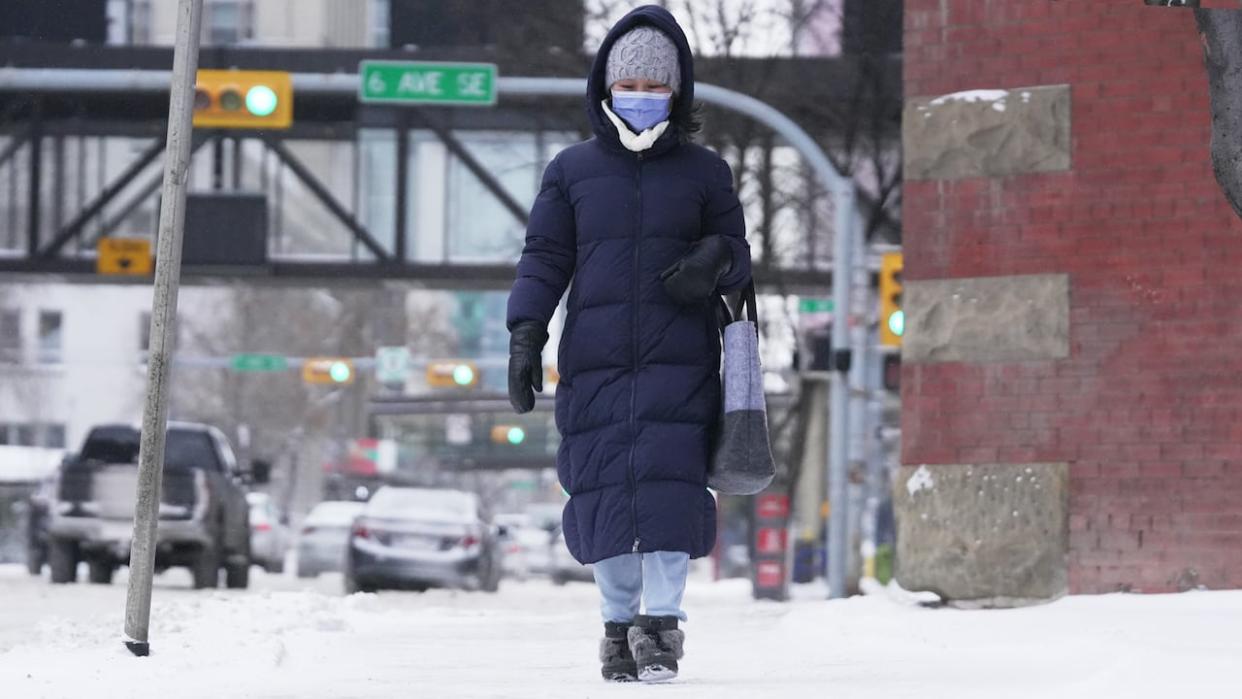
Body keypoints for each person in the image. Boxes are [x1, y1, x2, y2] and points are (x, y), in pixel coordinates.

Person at [506, 4, 752, 684]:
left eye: (656, 87)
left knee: (671, 488)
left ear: (677, 92)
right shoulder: (572, 171)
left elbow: (739, 256)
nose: (642, 99)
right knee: (604, 490)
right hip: (597, 360)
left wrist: (713, 259)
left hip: (683, 361)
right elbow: (544, 258)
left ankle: (662, 623)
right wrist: (525, 332)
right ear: (607, 88)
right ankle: (618, 625)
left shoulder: (706, 173)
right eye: (631, 86)